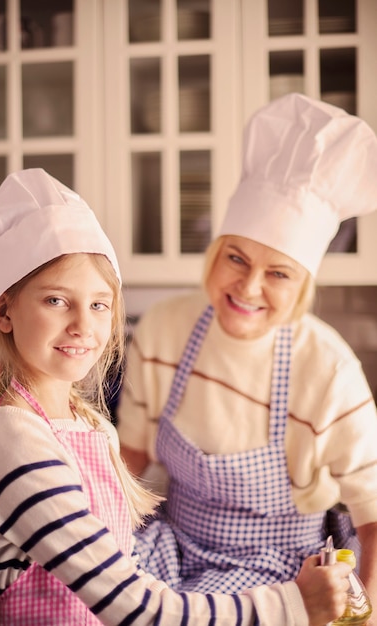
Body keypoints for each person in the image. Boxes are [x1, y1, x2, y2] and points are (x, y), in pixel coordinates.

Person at [0, 168, 352, 626]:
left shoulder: (88, 424)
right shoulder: (12, 439)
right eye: (56, 300)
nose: (83, 326)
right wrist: (291, 604)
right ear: (4, 311)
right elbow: (136, 607)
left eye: (99, 304)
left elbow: (123, 567)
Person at [117, 93, 377, 613]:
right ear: (215, 253)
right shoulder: (166, 327)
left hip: (281, 568)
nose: (249, 287)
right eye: (235, 257)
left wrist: (367, 610)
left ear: (303, 282)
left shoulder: (328, 370)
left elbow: (373, 517)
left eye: (278, 272)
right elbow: (131, 460)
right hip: (173, 545)